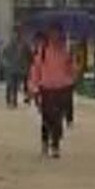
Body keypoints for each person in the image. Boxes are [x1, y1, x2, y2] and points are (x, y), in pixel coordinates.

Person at [27, 27, 78, 158]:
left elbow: (72, 71)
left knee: (57, 118)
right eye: (52, 33)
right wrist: (33, 87)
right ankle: (45, 141)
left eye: (57, 33)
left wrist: (72, 60)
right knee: (46, 117)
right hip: (46, 88)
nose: (55, 36)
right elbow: (36, 69)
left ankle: (55, 145)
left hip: (62, 87)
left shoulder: (66, 51)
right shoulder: (42, 50)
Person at [0, 31, 24, 108]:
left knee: (16, 86)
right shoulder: (7, 47)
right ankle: (8, 100)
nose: (15, 39)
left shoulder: (20, 47)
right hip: (9, 70)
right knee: (10, 85)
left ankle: (14, 101)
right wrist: (6, 65)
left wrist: (22, 66)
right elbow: (3, 57)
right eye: (14, 37)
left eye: (17, 38)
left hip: (17, 69)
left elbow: (21, 58)